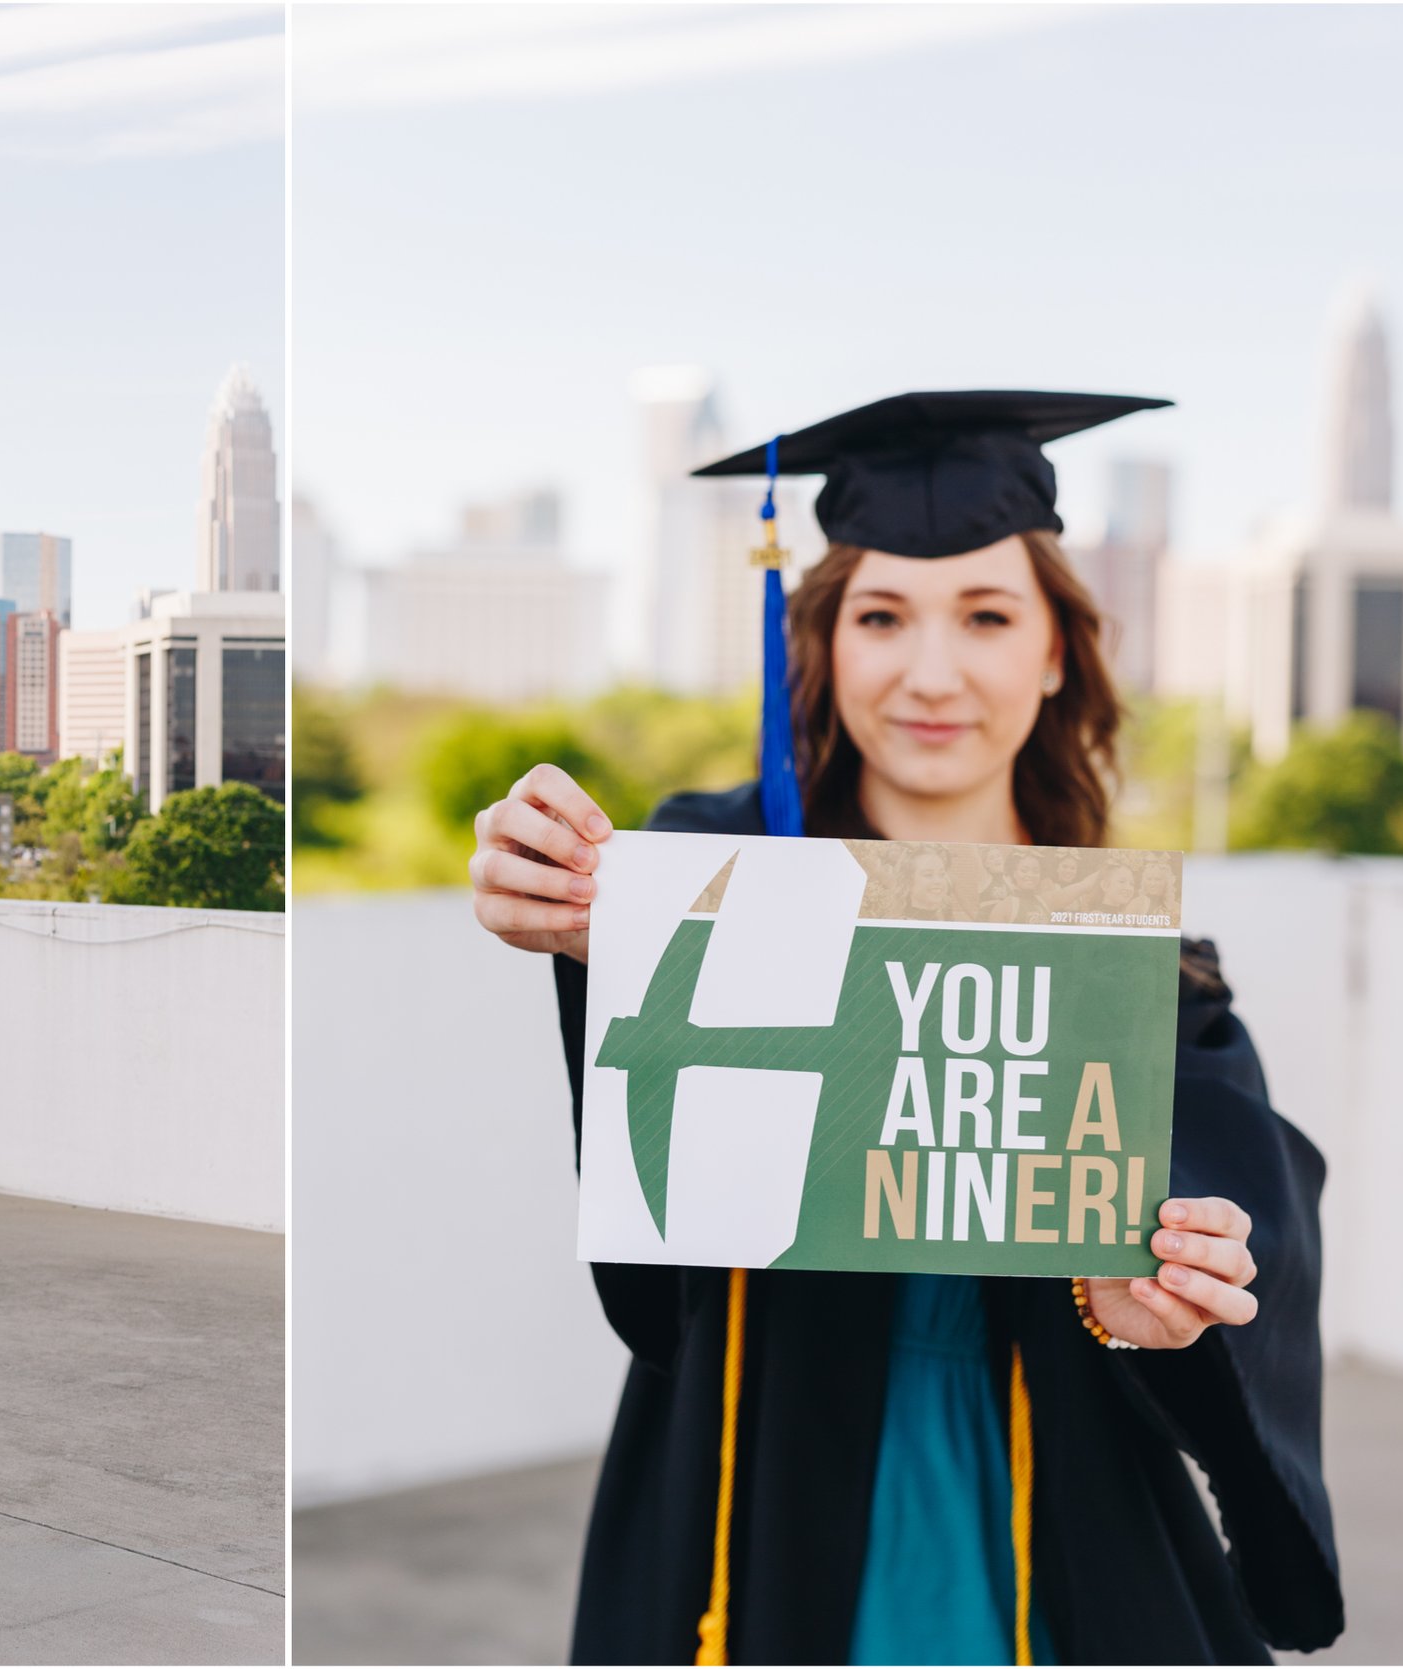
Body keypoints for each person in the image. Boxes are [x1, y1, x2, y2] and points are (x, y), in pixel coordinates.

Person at [467, 392, 1341, 1664]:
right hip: (758, 1502)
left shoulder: (1136, 971)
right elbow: (659, 1283)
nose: (932, 673)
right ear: (819, 642)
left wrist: (1159, 1278)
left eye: (987, 616)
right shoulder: (707, 878)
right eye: (880, 616)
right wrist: (573, 918)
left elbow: (1241, 1179)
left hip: (1056, 1529)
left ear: (1053, 652)